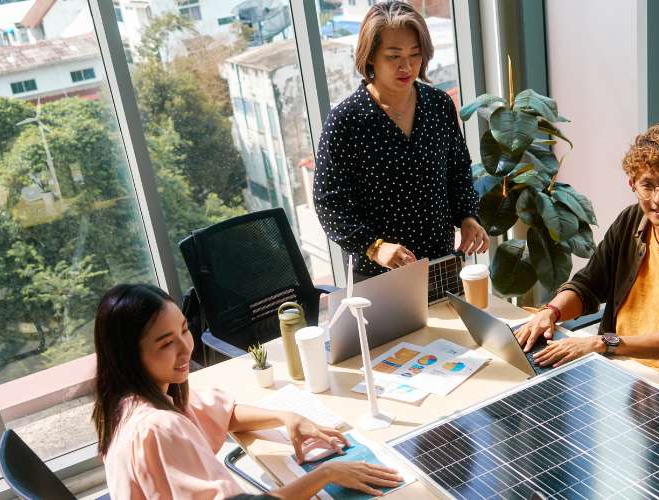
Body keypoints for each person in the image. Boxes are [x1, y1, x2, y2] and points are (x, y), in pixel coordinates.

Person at [93, 284, 402, 499]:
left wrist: (285, 416)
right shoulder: (159, 427)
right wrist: (326, 474)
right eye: (165, 343)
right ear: (130, 356)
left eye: (185, 330)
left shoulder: (127, 405)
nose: (185, 347)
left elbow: (218, 412)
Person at [514, 122, 659, 402]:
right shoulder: (631, 221)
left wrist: (604, 344)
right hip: (612, 370)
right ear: (632, 184)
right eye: (647, 185)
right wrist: (550, 312)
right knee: (529, 401)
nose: (658, 199)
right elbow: (589, 283)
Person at [313, 1, 488, 281]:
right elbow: (328, 202)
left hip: (440, 265)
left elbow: (458, 170)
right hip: (379, 276)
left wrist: (468, 217)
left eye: (415, 55)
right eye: (393, 56)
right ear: (370, 57)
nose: (407, 66)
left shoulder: (439, 105)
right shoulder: (346, 121)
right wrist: (374, 247)